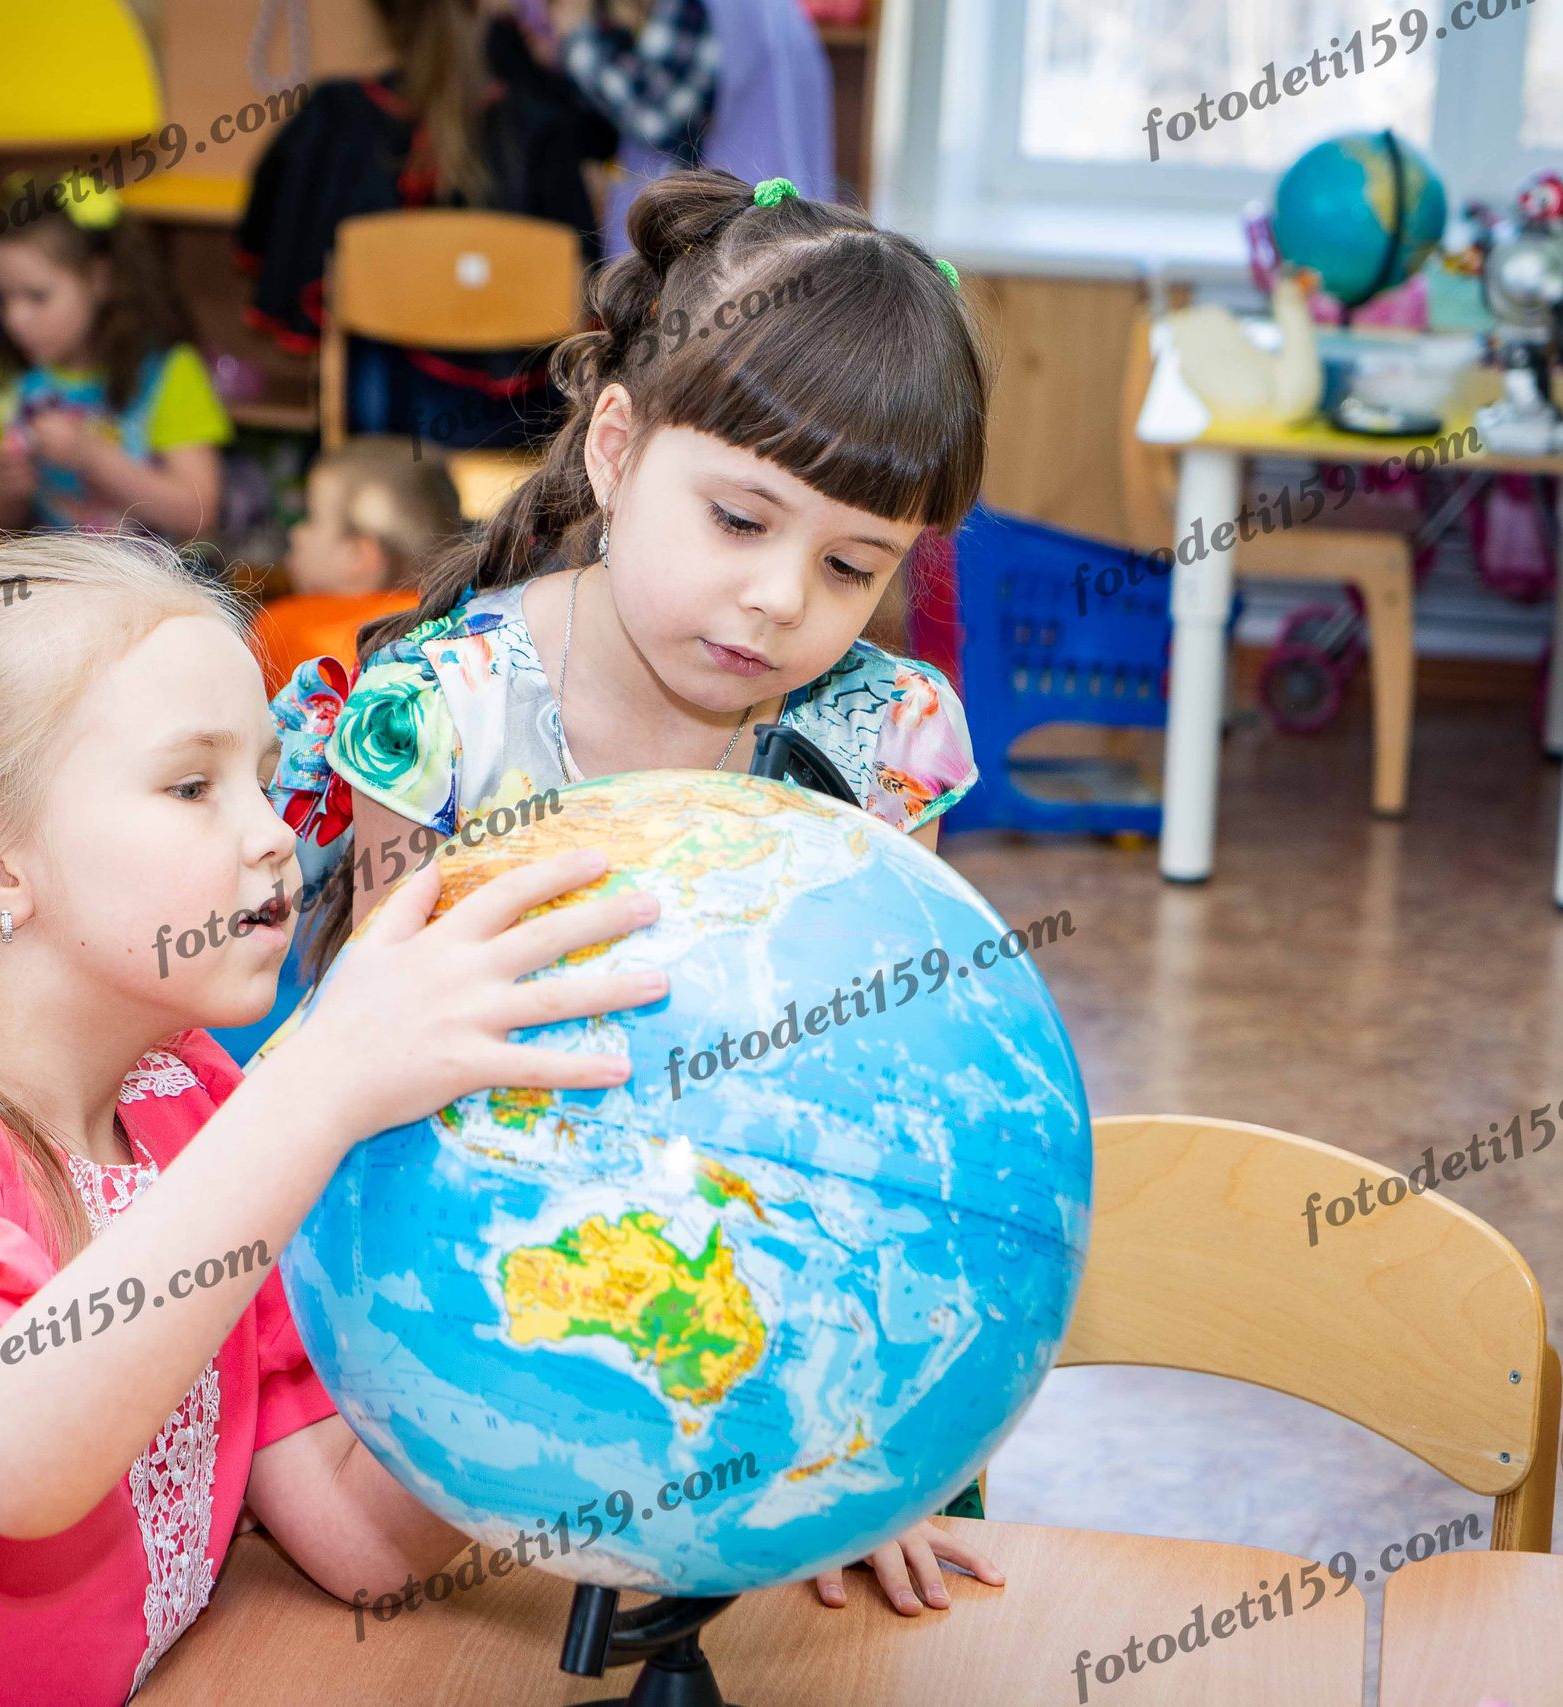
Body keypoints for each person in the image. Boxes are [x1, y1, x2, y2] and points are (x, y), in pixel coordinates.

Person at [0, 531, 667, 1705]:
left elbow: (355, 1538)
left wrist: (552, 1300)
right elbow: (16, 1457)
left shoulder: (180, 1099)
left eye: (269, 778)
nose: (277, 832)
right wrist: (314, 1089)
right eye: (191, 787)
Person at [266, 174, 998, 1604]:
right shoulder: (446, 714)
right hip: (444, 1297)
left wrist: (888, 1451)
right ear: (615, 448)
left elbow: (906, 1102)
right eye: (739, 520)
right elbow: (373, 1065)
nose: (783, 598)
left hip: (756, 1324)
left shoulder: (879, 741)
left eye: (853, 563)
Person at [235, 0, 614, 450]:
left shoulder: (335, 120)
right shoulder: (542, 134)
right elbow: (586, 290)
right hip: (509, 429)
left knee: (365, 316)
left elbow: (264, 239)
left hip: (381, 425)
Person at [0, 175, 230, 541]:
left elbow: (198, 514)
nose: (15, 319)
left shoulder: (167, 372)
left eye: (37, 296)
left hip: (151, 583)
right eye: (2, 298)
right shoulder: (7, 382)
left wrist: (95, 459)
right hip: (52, 580)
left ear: (99, 279)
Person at [547, 0, 833, 259]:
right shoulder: (776, 12)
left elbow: (655, 112)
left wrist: (577, 36)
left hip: (724, 244)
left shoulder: (697, 7)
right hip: (778, 233)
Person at [251, 437, 465, 694]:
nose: (296, 532)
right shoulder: (460, 629)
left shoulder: (283, 630)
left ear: (357, 556)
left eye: (308, 517)